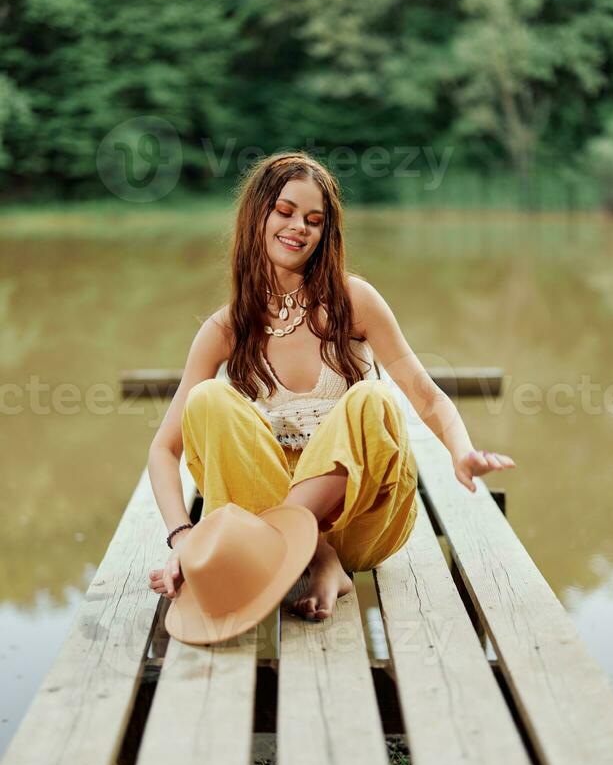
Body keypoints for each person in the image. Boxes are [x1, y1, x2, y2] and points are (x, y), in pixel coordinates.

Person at [147, 151, 515, 621]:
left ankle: (296, 549)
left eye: (314, 220)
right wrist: (183, 536)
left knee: (373, 398)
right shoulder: (224, 330)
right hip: (265, 505)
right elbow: (163, 450)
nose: (299, 226)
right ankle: (318, 557)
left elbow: (426, 395)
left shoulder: (353, 300)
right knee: (208, 399)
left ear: (325, 234)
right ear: (256, 214)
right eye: (284, 211)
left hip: (360, 522)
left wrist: (462, 452)